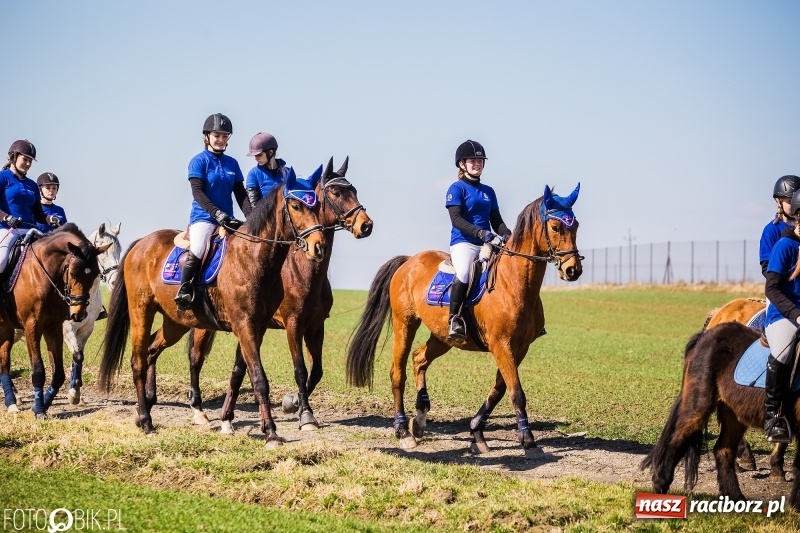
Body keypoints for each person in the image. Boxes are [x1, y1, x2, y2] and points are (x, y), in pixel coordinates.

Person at [174, 114, 251, 311]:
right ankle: (184, 289)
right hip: (204, 217)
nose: (221, 140)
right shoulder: (198, 161)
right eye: (217, 135)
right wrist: (216, 213)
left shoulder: (232, 163)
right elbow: (197, 192)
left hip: (227, 219)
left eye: (225, 136)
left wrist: (253, 218)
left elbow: (241, 194)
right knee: (199, 247)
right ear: (207, 136)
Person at [444, 140, 512, 339]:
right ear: (461, 164)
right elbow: (456, 219)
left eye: (480, 160)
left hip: (487, 243)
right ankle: (454, 319)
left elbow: (496, 221)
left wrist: (507, 235)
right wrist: (481, 233)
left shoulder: (488, 191)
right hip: (463, 243)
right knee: (464, 273)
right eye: (472, 160)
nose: (477, 163)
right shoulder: (456, 189)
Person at [763, 186, 800, 443]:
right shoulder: (785, 245)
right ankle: (772, 417)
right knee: (783, 350)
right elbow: (772, 288)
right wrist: (796, 315)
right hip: (784, 314)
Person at [0, 140, 61, 274]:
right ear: (13, 156)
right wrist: (6, 218)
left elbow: (39, 214)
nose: (28, 164)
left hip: (30, 231)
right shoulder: (2, 177)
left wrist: (50, 219)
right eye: (25, 159)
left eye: (31, 161)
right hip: (7, 230)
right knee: (1, 261)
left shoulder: (32, 185)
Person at [760, 175, 800, 277]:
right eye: (790, 201)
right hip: (786, 290)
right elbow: (767, 268)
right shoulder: (772, 230)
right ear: (778, 202)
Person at [244, 132, 294, 208]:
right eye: (255, 156)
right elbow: (254, 207)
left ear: (270, 152)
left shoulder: (288, 172)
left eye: (259, 155)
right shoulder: (253, 174)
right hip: (265, 218)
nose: (256, 158)